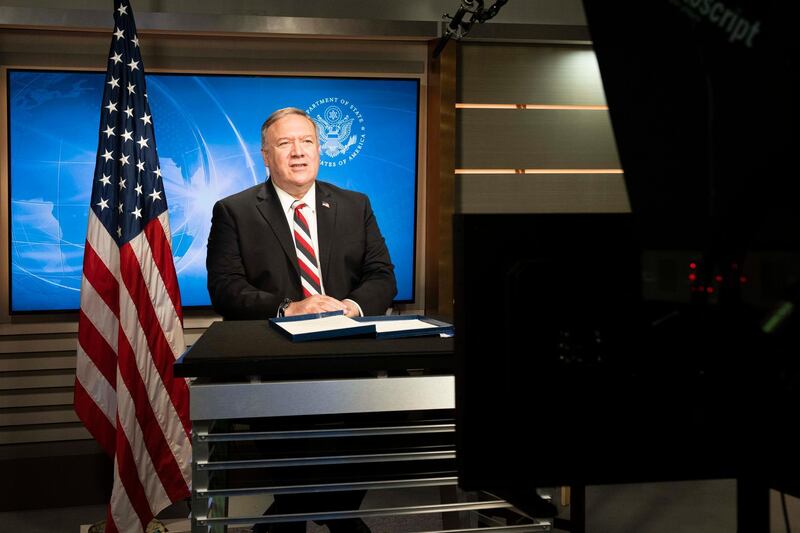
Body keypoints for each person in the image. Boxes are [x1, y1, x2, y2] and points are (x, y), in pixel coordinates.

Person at [207, 107, 396, 533]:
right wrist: (289, 308)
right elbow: (224, 288)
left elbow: (382, 276)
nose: (298, 153)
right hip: (275, 365)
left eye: (307, 142)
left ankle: (288, 518)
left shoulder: (354, 204)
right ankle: (334, 518)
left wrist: (350, 305)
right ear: (266, 155)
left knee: (382, 435)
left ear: (319, 150)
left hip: (351, 360)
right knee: (295, 451)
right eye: (285, 144)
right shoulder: (234, 210)